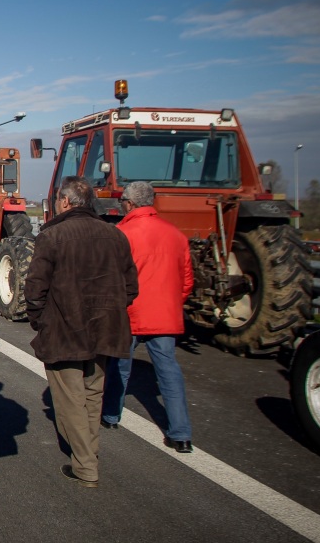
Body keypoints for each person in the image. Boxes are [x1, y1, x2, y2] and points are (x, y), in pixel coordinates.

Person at [25, 176, 138, 488]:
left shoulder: (52, 236)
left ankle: (86, 466)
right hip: (106, 329)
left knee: (71, 398)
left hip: (65, 330)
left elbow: (35, 289)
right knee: (92, 395)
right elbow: (131, 288)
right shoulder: (115, 235)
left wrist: (40, 319)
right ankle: (90, 453)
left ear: (64, 201)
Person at [101, 181, 195, 452]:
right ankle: (181, 434)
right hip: (165, 314)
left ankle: (110, 416)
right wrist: (171, 303)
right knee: (169, 372)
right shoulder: (176, 234)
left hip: (131, 312)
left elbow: (112, 277)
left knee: (119, 366)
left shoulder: (122, 233)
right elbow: (186, 279)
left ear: (129, 203)